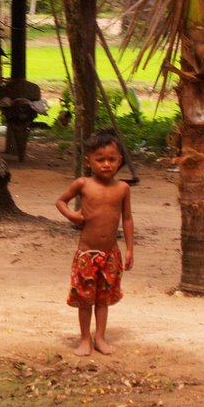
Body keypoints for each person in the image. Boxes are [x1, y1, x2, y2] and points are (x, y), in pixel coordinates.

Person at [56, 128, 134, 356]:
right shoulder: (83, 184)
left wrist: (130, 249)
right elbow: (61, 201)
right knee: (85, 298)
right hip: (87, 253)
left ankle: (100, 337)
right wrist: (72, 215)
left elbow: (127, 219)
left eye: (112, 159)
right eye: (100, 160)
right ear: (89, 161)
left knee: (103, 299)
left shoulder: (122, 188)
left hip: (111, 253)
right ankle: (84, 338)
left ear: (120, 160)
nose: (107, 164)